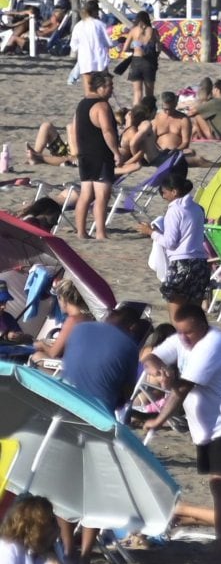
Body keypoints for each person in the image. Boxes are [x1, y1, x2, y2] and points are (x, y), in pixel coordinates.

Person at [142, 302, 221, 564]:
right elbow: (148, 355)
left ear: (202, 325)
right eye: (180, 332)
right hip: (209, 429)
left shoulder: (212, 344)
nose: (183, 338)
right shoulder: (183, 338)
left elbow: (183, 388)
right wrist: (158, 369)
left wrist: (160, 419)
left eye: (188, 333)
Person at [39, 284, 141, 416]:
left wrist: (41, 345)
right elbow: (127, 393)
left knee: (36, 357)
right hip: (101, 410)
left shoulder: (82, 327)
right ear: (132, 327)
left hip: (68, 395)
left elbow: (58, 355)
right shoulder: (130, 347)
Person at [142, 169, 209, 305]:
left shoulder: (174, 210)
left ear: (174, 192)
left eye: (164, 192)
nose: (163, 196)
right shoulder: (197, 208)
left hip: (182, 263)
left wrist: (150, 232)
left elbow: (170, 243)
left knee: (176, 311)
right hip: (200, 263)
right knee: (193, 311)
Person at [70, 71, 119, 242]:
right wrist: (116, 152)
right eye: (110, 87)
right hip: (101, 155)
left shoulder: (82, 104)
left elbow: (73, 128)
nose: (112, 90)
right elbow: (107, 131)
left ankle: (81, 232)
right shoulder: (102, 106)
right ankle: (100, 233)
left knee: (85, 195)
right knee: (101, 196)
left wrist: (76, 150)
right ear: (101, 87)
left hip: (85, 155)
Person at [0, 497, 73, 564]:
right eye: (50, 521)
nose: (56, 526)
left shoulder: (47, 546)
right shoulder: (9, 548)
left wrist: (51, 554)